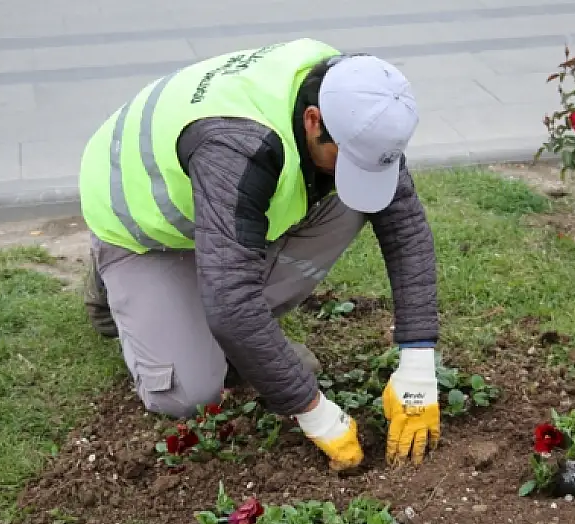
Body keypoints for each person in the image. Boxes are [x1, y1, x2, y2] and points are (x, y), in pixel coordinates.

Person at [78, 38, 441, 471]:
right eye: (343, 159)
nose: (353, 171)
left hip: (231, 203)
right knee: (188, 392)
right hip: (144, 228)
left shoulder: (360, 100)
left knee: (354, 202)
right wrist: (314, 412)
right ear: (313, 121)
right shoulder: (237, 145)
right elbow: (232, 303)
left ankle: (228, 323)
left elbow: (404, 226)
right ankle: (113, 279)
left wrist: (418, 367)